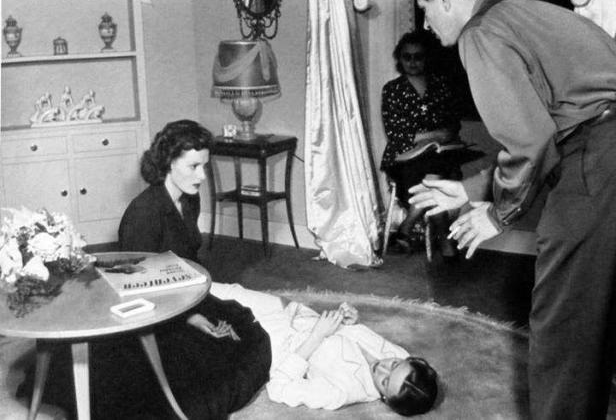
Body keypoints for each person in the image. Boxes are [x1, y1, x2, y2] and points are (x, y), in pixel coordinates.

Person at [408, 0, 616, 418]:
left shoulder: (480, 33)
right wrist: (470, 191)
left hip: (599, 156)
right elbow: (551, 132)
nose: (426, 25)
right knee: (597, 312)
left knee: (564, 324)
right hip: (603, 149)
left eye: (425, 9)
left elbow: (531, 140)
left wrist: (498, 215)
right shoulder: (523, 12)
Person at [19, 120, 272, 420]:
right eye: (193, 167)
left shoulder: (189, 198)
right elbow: (138, 291)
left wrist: (197, 307)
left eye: (204, 166)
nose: (202, 176)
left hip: (181, 295)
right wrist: (192, 318)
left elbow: (187, 260)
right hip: (150, 315)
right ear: (169, 163)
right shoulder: (143, 214)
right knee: (199, 383)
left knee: (249, 338)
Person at [205, 282, 439, 416]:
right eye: (394, 365)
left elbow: (278, 388)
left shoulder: (341, 392)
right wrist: (352, 322)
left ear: (386, 399)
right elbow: (355, 338)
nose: (382, 367)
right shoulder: (400, 354)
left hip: (266, 341)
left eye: (385, 381)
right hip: (292, 312)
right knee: (216, 287)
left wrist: (317, 336)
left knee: (206, 311)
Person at [381, 30, 463, 259]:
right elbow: (396, 134)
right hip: (403, 159)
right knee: (434, 179)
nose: (413, 62)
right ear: (400, 59)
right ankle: (444, 239)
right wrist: (434, 134)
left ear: (427, 58)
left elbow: (453, 125)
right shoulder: (392, 89)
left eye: (418, 56)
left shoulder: (441, 86)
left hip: (438, 156)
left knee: (434, 170)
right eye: (407, 57)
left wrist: (443, 134)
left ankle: (405, 228)